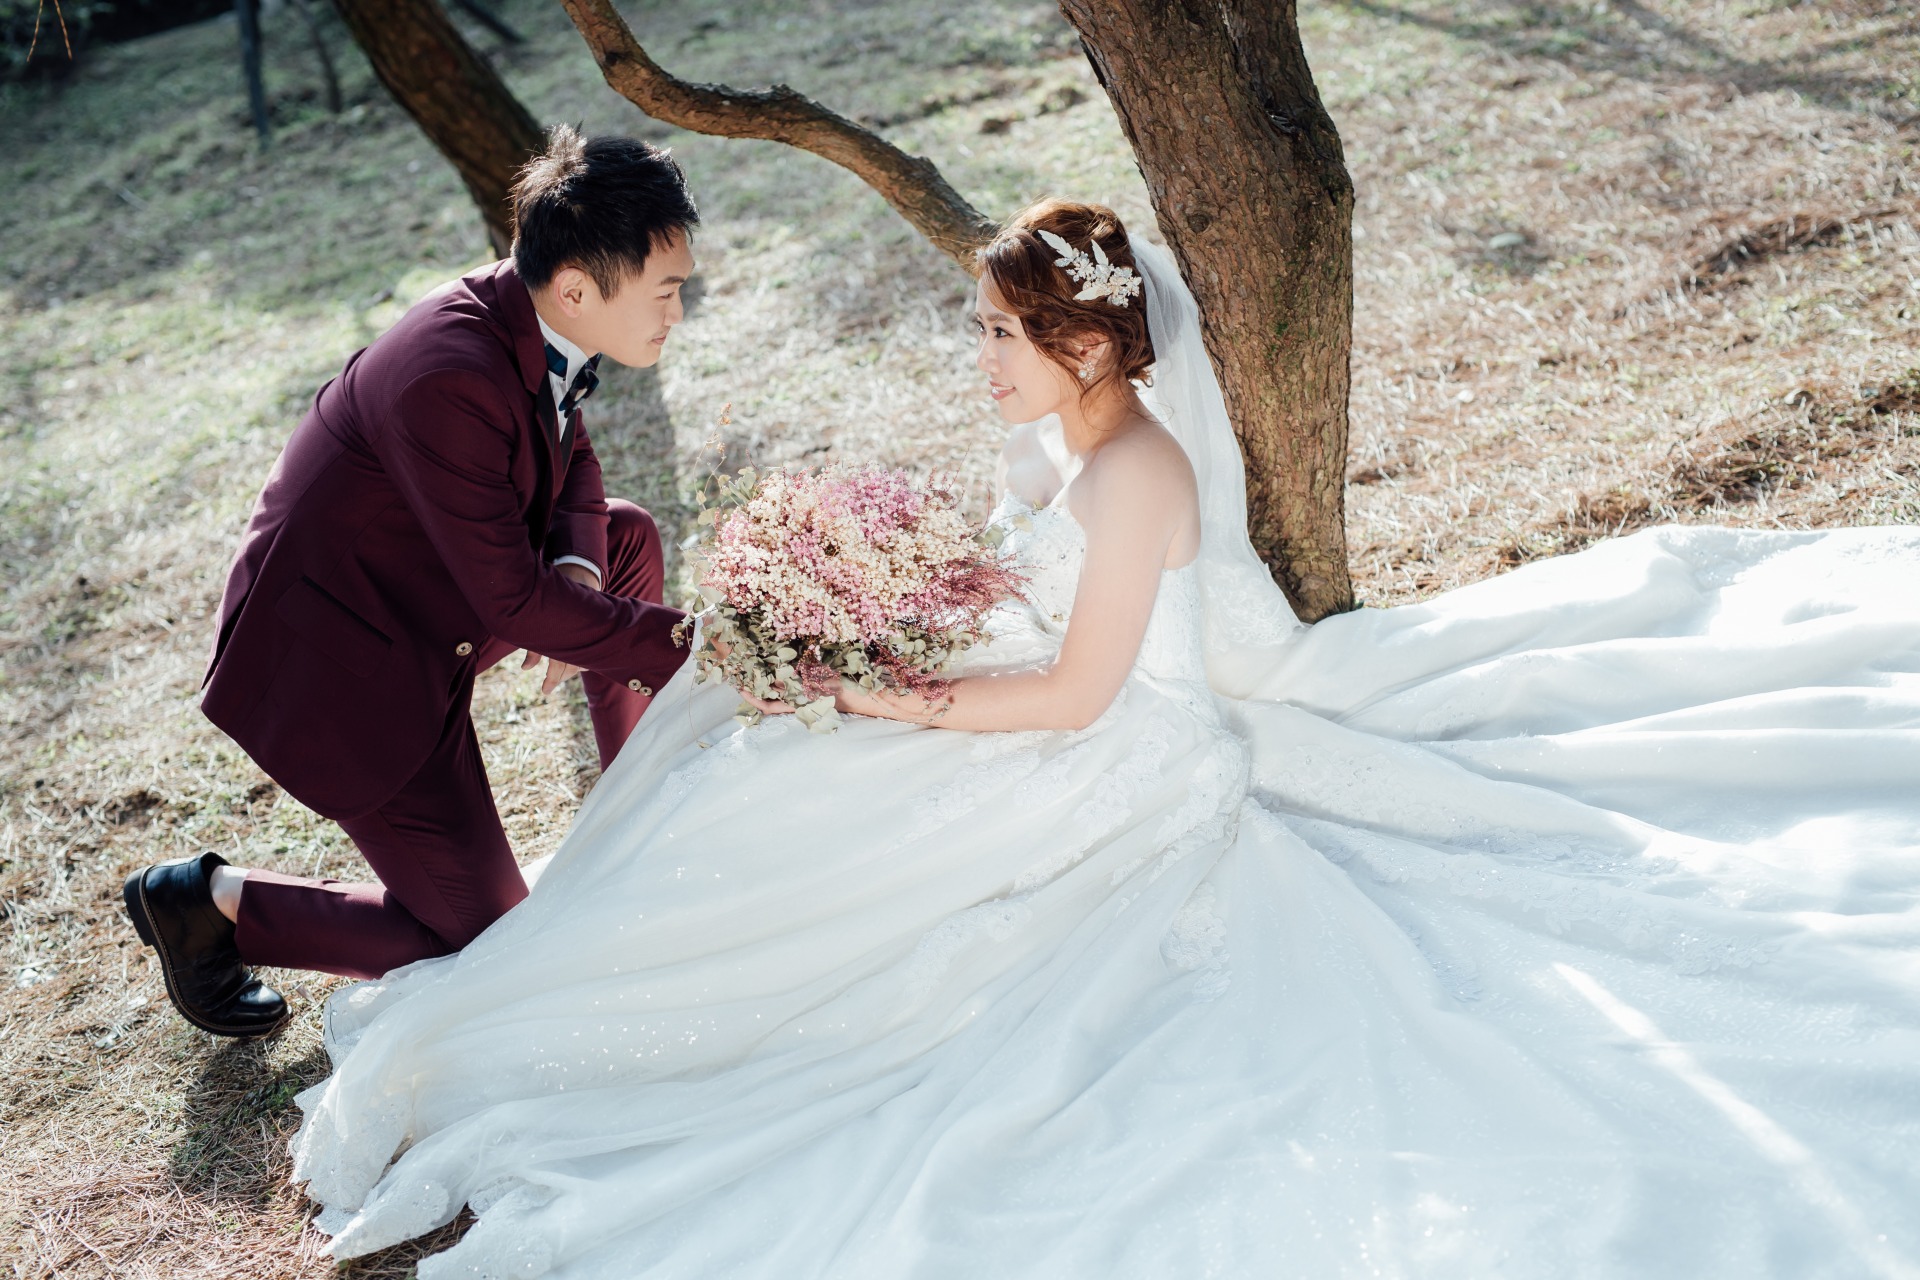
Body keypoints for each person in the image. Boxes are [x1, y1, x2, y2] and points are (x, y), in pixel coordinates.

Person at [289, 200, 1920, 1279]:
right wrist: (877, 603)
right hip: (1024, 700)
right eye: (980, 331)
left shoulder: (1139, 473)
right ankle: (593, 978)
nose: (979, 358)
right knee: (767, 769)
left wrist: (894, 696)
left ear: (1081, 347)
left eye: (1000, 336)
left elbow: (1083, 697)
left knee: (837, 814)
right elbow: (1016, 590)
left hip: (1114, 765)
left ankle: (636, 1022)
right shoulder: (1065, 441)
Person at [120, 126, 699, 1037]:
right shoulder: (448, 374)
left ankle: (639, 803)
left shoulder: (537, 313)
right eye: (667, 291)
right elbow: (515, 603)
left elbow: (570, 450)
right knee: (498, 945)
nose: (678, 312)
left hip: (431, 599)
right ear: (579, 288)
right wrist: (702, 652)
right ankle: (209, 905)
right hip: (347, 667)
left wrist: (580, 568)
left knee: (620, 538)